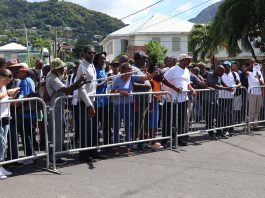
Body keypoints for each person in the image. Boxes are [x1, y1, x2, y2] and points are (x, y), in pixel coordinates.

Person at [111, 62, 158, 156]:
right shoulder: (117, 79)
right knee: (117, 127)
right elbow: (112, 92)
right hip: (118, 105)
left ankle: (128, 147)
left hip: (129, 105)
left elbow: (146, 78)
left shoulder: (132, 77)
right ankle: (116, 147)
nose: (132, 70)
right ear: (124, 70)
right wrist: (120, 91)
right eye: (129, 69)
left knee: (129, 127)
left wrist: (154, 73)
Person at [46, 58, 87, 165]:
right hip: (54, 108)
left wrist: (80, 83)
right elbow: (68, 90)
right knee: (56, 133)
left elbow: (70, 88)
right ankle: (54, 157)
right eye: (62, 67)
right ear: (57, 68)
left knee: (60, 130)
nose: (64, 69)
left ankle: (55, 155)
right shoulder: (53, 79)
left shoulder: (55, 76)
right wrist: (79, 81)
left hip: (58, 107)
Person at [74, 45, 101, 162]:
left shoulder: (91, 65)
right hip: (85, 103)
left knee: (93, 129)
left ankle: (93, 151)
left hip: (92, 100)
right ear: (84, 54)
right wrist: (89, 105)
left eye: (94, 53)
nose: (92, 55)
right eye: (90, 53)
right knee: (86, 130)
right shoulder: (82, 67)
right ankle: (84, 155)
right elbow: (81, 89)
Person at [163, 54, 196, 146]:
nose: (189, 62)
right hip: (172, 99)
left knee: (181, 120)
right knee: (170, 120)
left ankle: (179, 138)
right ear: (181, 60)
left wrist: (192, 89)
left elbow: (188, 83)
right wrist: (174, 88)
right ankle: (165, 140)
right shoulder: (173, 69)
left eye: (190, 60)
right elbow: (163, 80)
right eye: (187, 60)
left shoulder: (186, 70)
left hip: (183, 99)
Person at [0, 69, 20, 179]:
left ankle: (1, 166)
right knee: (0, 143)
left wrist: (12, 95)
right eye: (6, 80)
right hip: (1, 117)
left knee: (3, 143)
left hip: (5, 116)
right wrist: (8, 92)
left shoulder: (3, 87)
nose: (8, 83)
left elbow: (4, 99)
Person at [206, 65, 233, 139]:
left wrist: (228, 88)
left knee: (219, 116)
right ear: (218, 70)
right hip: (208, 99)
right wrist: (226, 88)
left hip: (215, 99)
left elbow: (222, 83)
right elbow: (213, 85)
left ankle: (219, 132)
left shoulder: (219, 76)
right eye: (222, 72)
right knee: (210, 117)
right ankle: (211, 134)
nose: (223, 74)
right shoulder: (211, 74)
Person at [218, 61, 241, 136]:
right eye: (224, 66)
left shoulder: (234, 74)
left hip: (231, 97)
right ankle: (224, 129)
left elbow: (239, 83)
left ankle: (230, 129)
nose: (224, 67)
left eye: (226, 66)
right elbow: (220, 83)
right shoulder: (220, 74)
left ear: (229, 66)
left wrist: (235, 87)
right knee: (223, 113)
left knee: (229, 113)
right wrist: (227, 88)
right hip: (221, 97)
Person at [244, 59, 264, 131]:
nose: (253, 64)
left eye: (254, 63)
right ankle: (249, 125)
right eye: (251, 62)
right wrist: (251, 65)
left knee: (257, 110)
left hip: (259, 93)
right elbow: (244, 71)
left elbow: (262, 84)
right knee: (251, 110)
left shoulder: (259, 74)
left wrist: (258, 78)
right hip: (252, 93)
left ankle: (254, 125)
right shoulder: (249, 73)